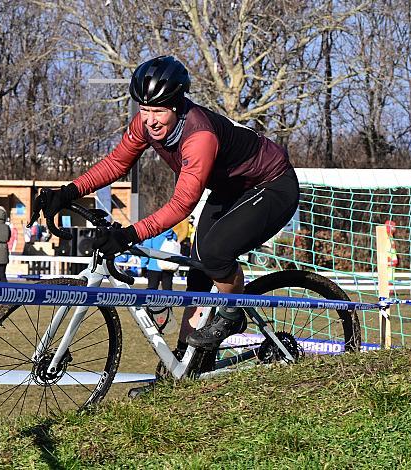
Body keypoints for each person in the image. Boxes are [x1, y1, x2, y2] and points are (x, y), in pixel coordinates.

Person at [34, 55, 299, 356]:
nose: (150, 120)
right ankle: (185, 365)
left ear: (176, 105)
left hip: (271, 185)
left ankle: (232, 315)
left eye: (158, 111)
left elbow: (182, 204)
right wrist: (69, 191)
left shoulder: (199, 136)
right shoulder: (145, 125)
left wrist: (129, 235)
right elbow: (117, 163)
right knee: (198, 272)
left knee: (214, 255)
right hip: (230, 190)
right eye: (144, 110)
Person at [384, 220, 398, 284]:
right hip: (388, 258)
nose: (394, 228)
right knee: (388, 273)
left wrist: (395, 258)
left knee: (391, 273)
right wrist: (388, 257)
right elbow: (386, 248)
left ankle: (391, 290)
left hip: (392, 258)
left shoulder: (391, 236)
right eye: (393, 227)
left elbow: (392, 249)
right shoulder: (385, 236)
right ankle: (388, 290)